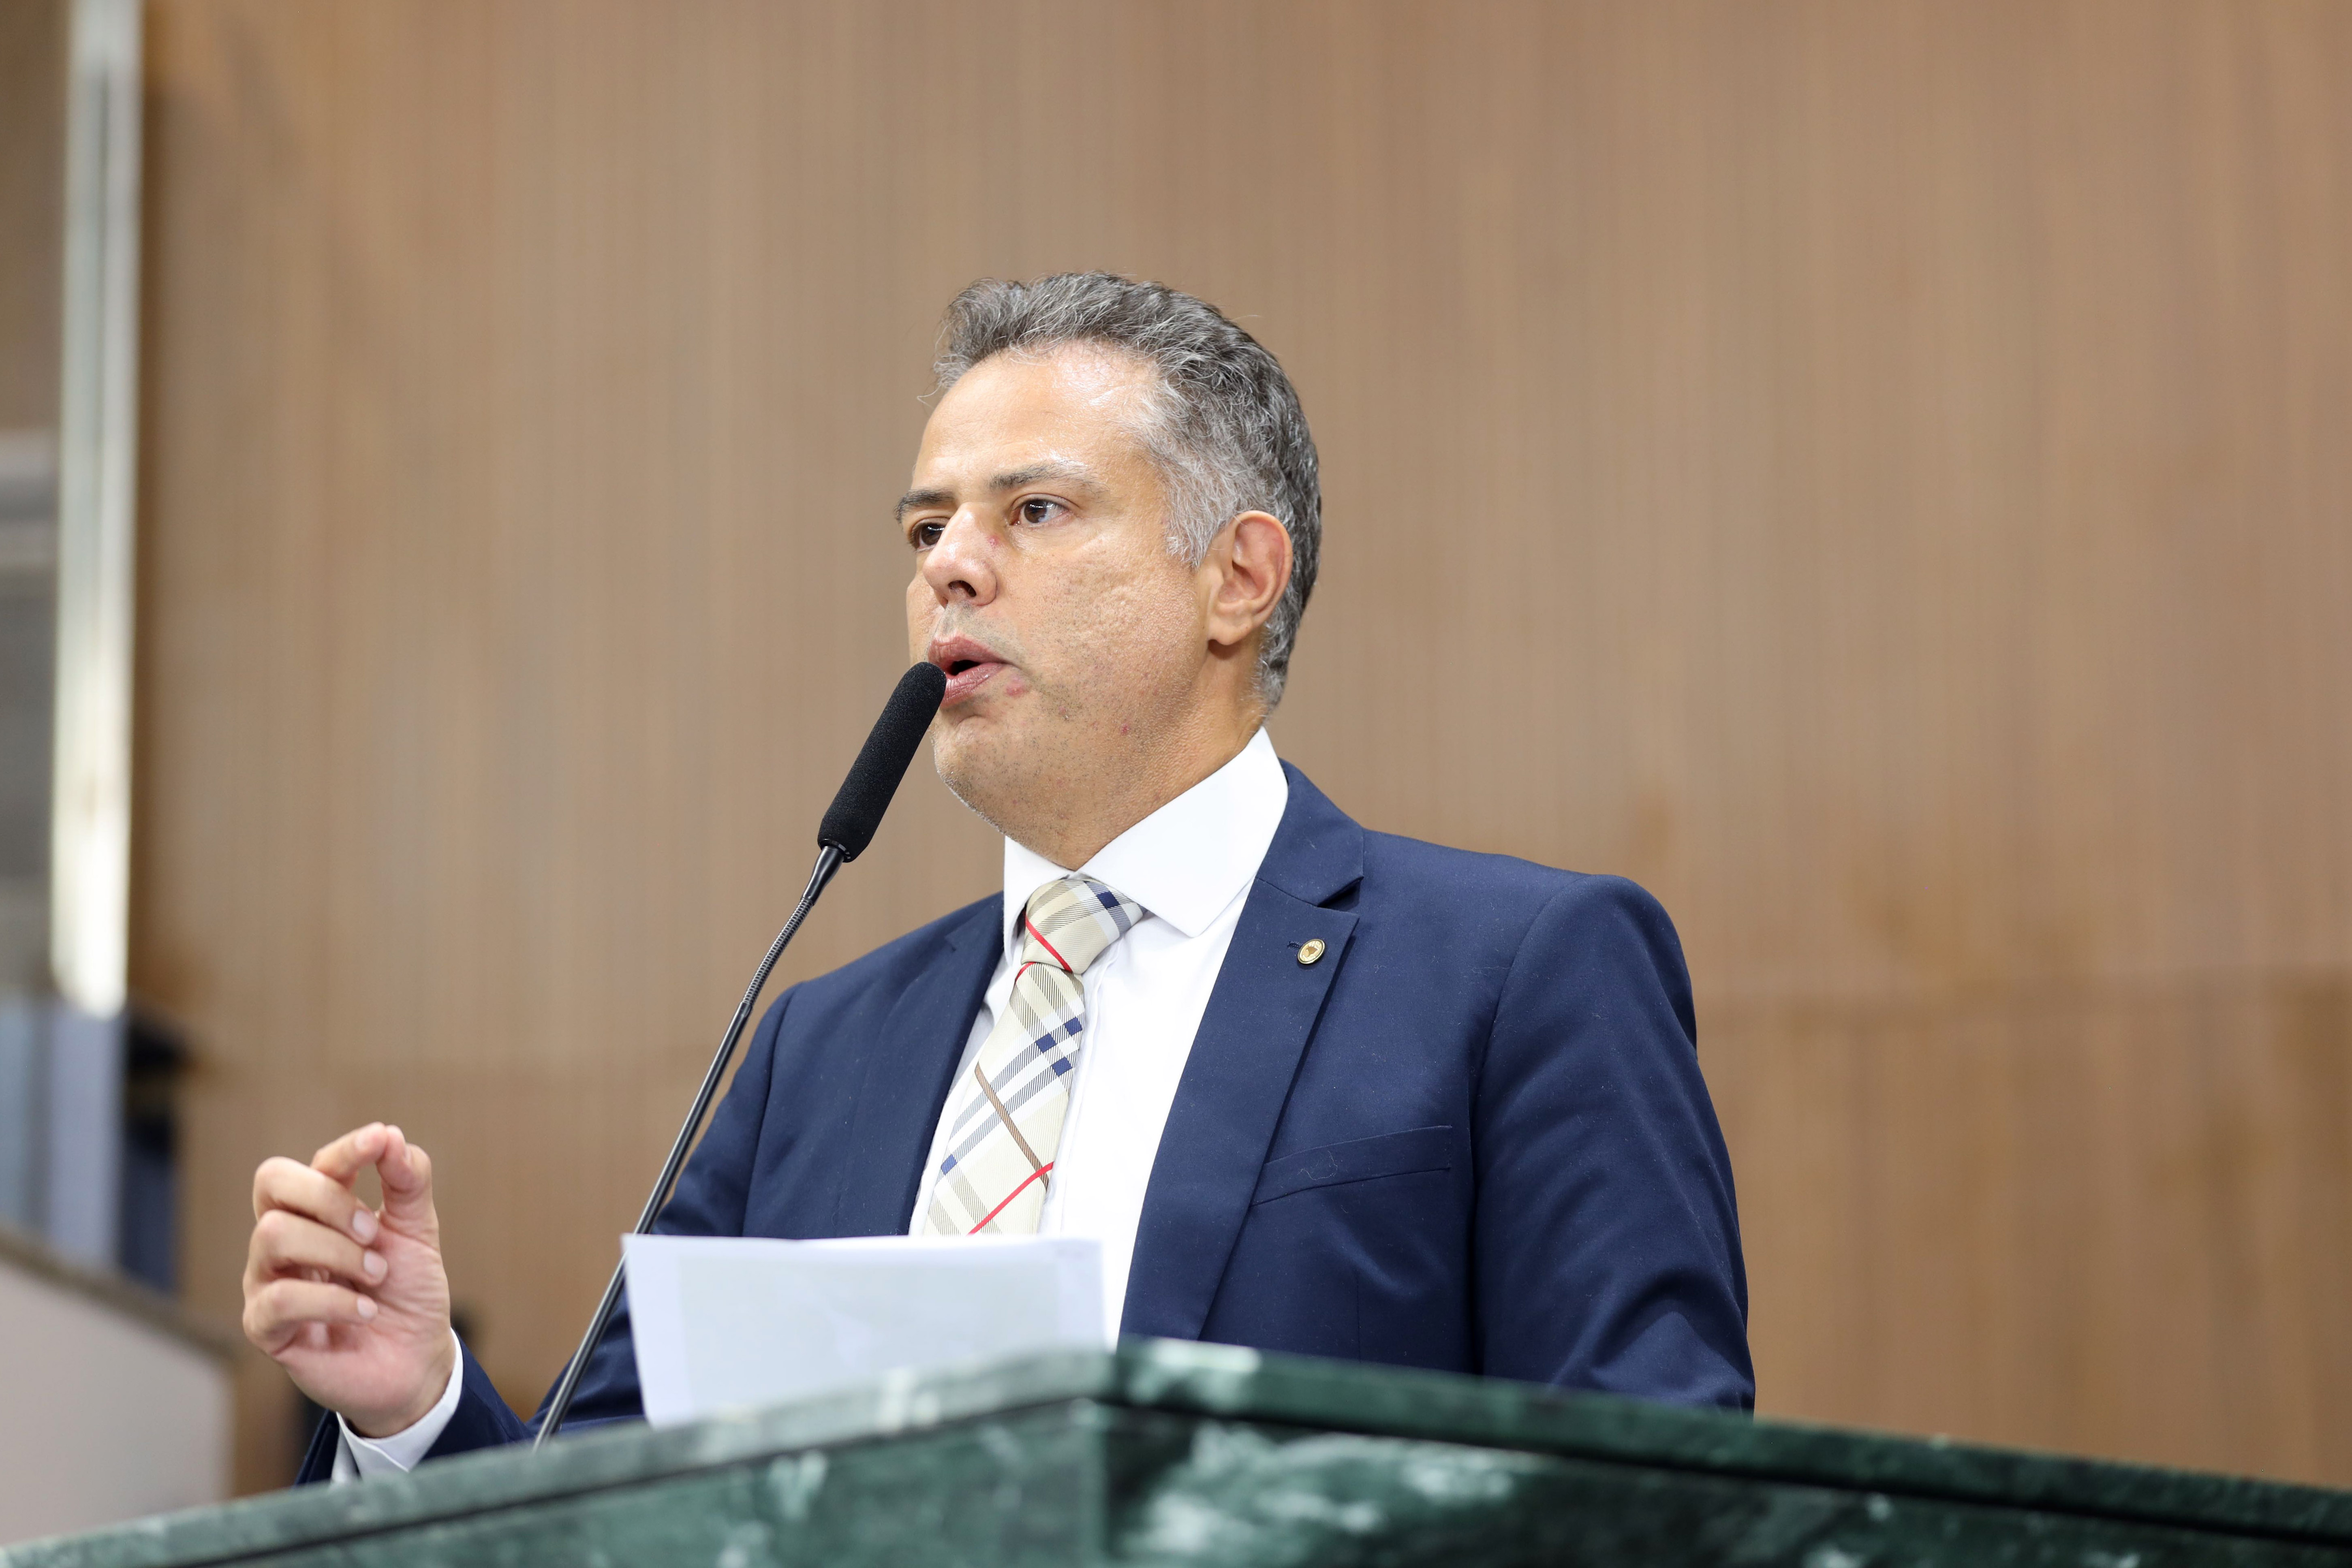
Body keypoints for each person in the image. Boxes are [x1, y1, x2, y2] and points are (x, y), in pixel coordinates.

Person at [242, 273, 1753, 1483]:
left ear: (1237, 577)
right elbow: (602, 1520)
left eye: (1034, 511)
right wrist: (416, 1402)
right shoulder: (821, 1049)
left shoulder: (1517, 971)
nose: (947, 569)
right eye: (926, 528)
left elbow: (1656, 1490)